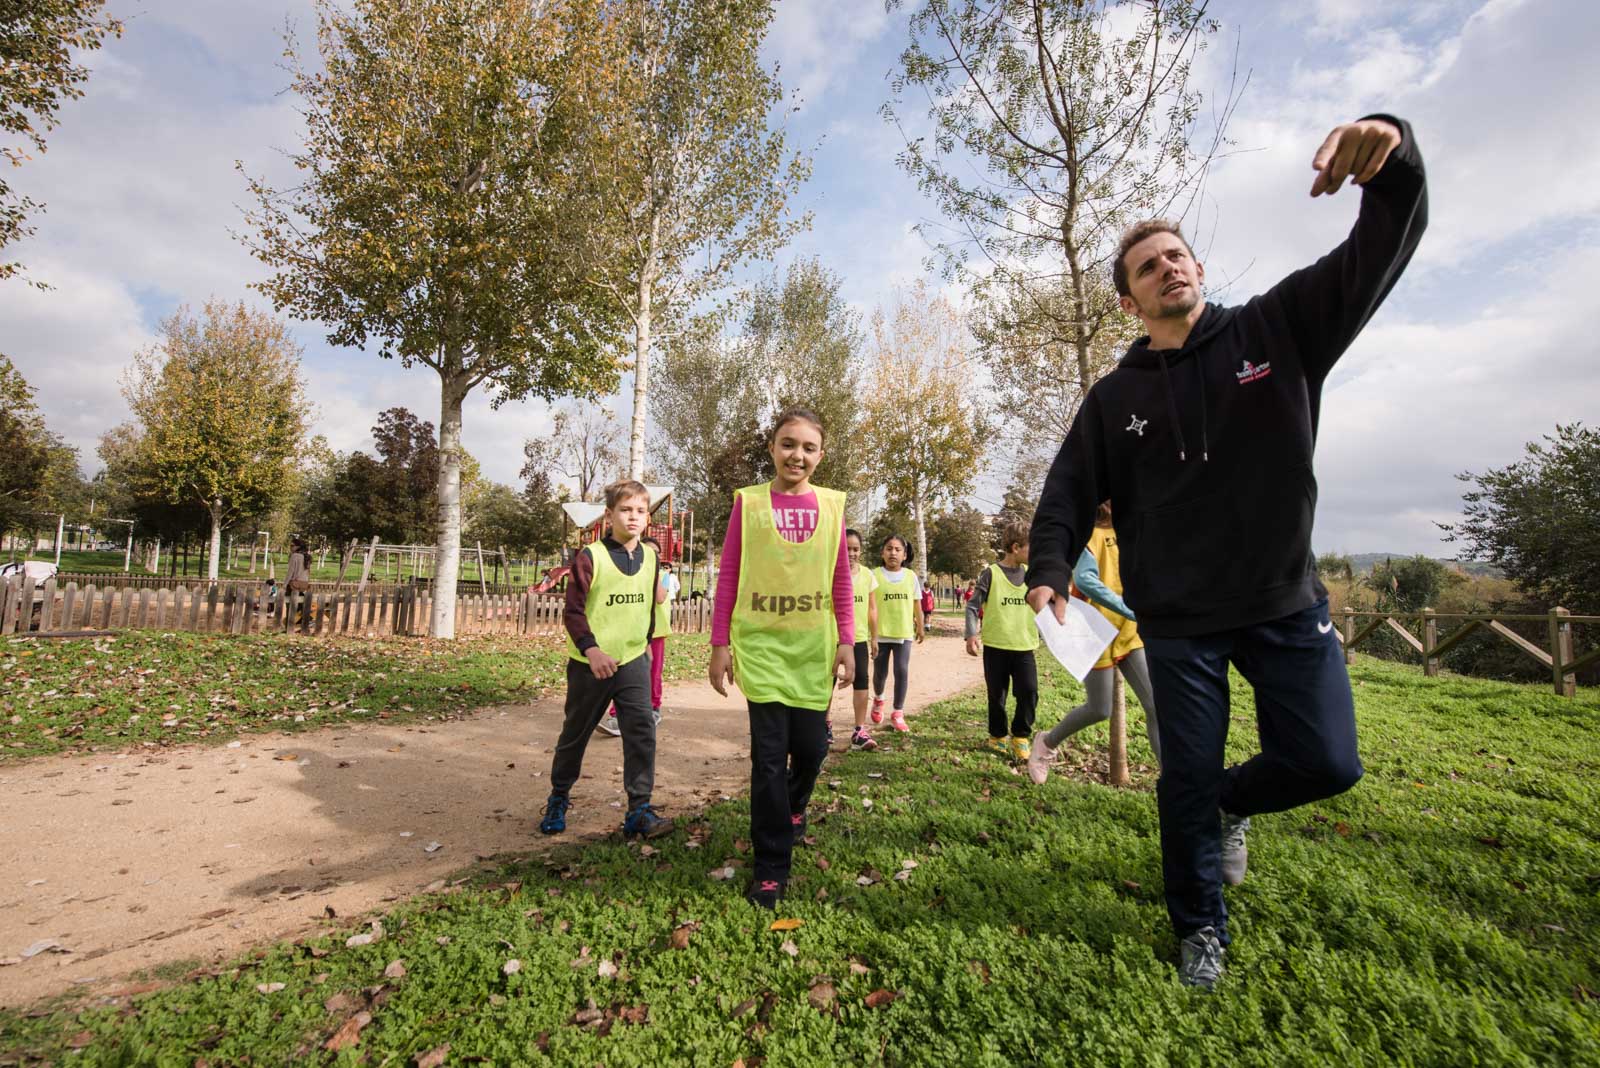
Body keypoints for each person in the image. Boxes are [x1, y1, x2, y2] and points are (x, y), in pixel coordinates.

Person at [1025, 117, 1427, 989]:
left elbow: (1380, 248)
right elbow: (1066, 492)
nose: (1168, 267)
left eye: (1177, 256)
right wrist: (1048, 569)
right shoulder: (1114, 398)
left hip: (1283, 600)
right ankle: (1200, 924)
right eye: (1147, 267)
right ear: (1128, 302)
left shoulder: (1278, 329)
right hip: (1180, 623)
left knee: (1328, 762)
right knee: (1184, 776)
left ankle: (1232, 803)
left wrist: (1391, 160)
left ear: (1198, 269)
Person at [708, 407, 855, 909]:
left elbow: (840, 579)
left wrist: (846, 640)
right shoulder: (748, 503)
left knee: (811, 750)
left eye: (808, 447)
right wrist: (720, 645)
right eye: (788, 444)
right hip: (762, 649)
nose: (797, 455)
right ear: (772, 449)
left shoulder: (832, 506)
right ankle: (772, 864)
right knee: (768, 760)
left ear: (821, 455)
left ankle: (794, 804)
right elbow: (730, 573)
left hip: (813, 651)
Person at [539, 479, 673, 840]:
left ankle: (639, 810)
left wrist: (646, 641)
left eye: (640, 511)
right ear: (609, 515)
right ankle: (558, 797)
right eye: (625, 510)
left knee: (642, 733)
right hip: (591, 666)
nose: (633, 517)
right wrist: (591, 650)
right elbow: (573, 612)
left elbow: (647, 604)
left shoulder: (651, 557)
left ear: (648, 517)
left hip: (633, 661)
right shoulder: (590, 557)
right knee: (575, 734)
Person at [1027, 503, 1162, 783]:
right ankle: (1046, 743)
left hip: (1129, 632)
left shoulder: (1133, 527)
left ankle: (1174, 777)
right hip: (1094, 632)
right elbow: (1085, 580)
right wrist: (1130, 608)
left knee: (1155, 706)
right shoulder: (1087, 534)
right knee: (1100, 709)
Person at [964, 520, 1039, 763]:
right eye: (1031, 546)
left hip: (1024, 646)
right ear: (1016, 547)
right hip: (996, 647)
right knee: (997, 695)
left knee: (1029, 691)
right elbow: (972, 607)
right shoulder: (991, 574)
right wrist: (971, 634)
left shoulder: (1032, 574)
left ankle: (1021, 735)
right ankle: (997, 735)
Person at [597, 534, 673, 736]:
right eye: (647, 552)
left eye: (655, 554)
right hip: (631, 631)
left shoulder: (663, 575)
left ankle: (653, 709)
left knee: (652, 672)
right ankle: (617, 715)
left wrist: (650, 572)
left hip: (656, 633)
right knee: (623, 673)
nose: (652, 556)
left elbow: (660, 597)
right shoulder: (628, 573)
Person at [870, 534, 924, 732]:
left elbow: (917, 603)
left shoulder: (911, 577)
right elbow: (869, 605)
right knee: (880, 673)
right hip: (880, 634)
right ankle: (879, 699)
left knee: (901, 671)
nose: (893, 553)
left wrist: (920, 625)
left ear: (905, 555)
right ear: (882, 553)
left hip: (903, 633)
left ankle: (898, 712)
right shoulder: (873, 575)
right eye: (889, 548)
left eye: (897, 549)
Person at [845, 528, 880, 752]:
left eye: (855, 549)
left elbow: (872, 609)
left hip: (858, 638)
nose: (851, 553)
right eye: (846, 548)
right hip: (834, 638)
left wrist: (874, 637)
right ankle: (824, 726)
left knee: (861, 682)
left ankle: (859, 731)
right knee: (826, 682)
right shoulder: (830, 572)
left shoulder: (868, 575)